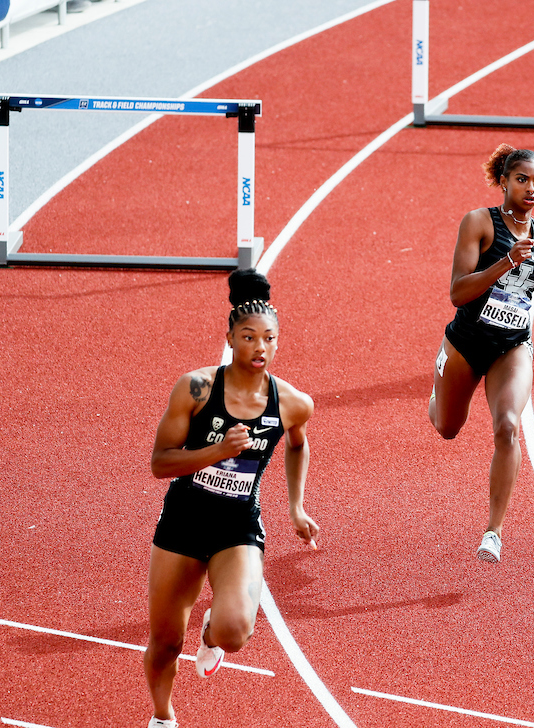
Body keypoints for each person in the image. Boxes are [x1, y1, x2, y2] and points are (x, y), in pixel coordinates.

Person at [143, 269, 319, 728]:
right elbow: (161, 462)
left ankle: (210, 633)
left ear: (278, 342)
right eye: (248, 337)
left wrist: (296, 506)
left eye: (269, 339)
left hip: (236, 525)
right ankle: (163, 718)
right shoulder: (197, 389)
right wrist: (217, 452)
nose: (260, 348)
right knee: (164, 643)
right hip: (184, 520)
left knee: (236, 630)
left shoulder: (293, 403)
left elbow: (298, 444)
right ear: (229, 338)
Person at [428, 144, 534, 563]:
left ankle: (493, 532)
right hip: (466, 342)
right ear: (504, 180)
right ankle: (438, 395)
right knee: (448, 428)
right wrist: (505, 262)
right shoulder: (479, 223)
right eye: (522, 179)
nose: (531, 189)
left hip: (511, 346)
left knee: (508, 426)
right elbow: (457, 292)